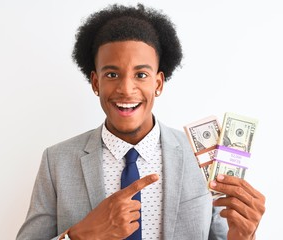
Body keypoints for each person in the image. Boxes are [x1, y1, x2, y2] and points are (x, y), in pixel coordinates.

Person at [17, 3, 265, 240]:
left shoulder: (203, 156)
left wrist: (244, 237)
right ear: (95, 83)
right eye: (112, 74)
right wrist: (81, 235)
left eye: (141, 74)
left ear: (157, 83)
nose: (126, 89)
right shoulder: (56, 161)